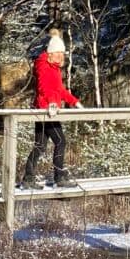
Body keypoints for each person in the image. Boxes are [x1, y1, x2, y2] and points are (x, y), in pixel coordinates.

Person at [21, 33, 83, 188]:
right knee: (60, 141)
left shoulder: (54, 68)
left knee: (40, 145)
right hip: (46, 110)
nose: (61, 56)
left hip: (48, 109)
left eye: (62, 54)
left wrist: (74, 102)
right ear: (50, 53)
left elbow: (60, 90)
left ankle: (28, 179)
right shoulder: (43, 65)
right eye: (58, 53)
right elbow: (44, 88)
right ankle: (59, 177)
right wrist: (52, 104)